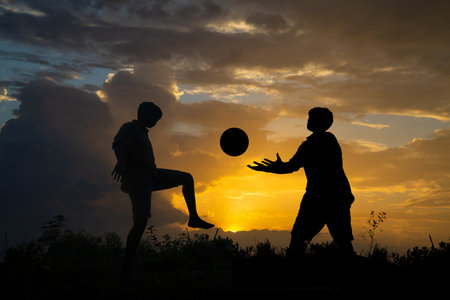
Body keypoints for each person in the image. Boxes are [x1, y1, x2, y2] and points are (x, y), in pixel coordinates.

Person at [112, 102, 214, 274]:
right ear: (143, 114)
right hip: (138, 180)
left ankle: (194, 218)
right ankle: (126, 267)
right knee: (140, 222)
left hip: (152, 175)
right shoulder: (130, 128)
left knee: (186, 178)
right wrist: (121, 164)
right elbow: (118, 145)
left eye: (157, 120)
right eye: (154, 118)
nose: (155, 122)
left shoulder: (143, 133)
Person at [248, 107, 355, 260]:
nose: (308, 120)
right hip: (334, 197)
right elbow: (291, 167)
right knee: (340, 242)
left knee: (300, 238)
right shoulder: (323, 142)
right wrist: (275, 168)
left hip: (323, 198)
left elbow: (291, 167)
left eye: (310, 118)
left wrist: (275, 168)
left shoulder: (314, 144)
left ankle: (293, 273)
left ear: (318, 122)